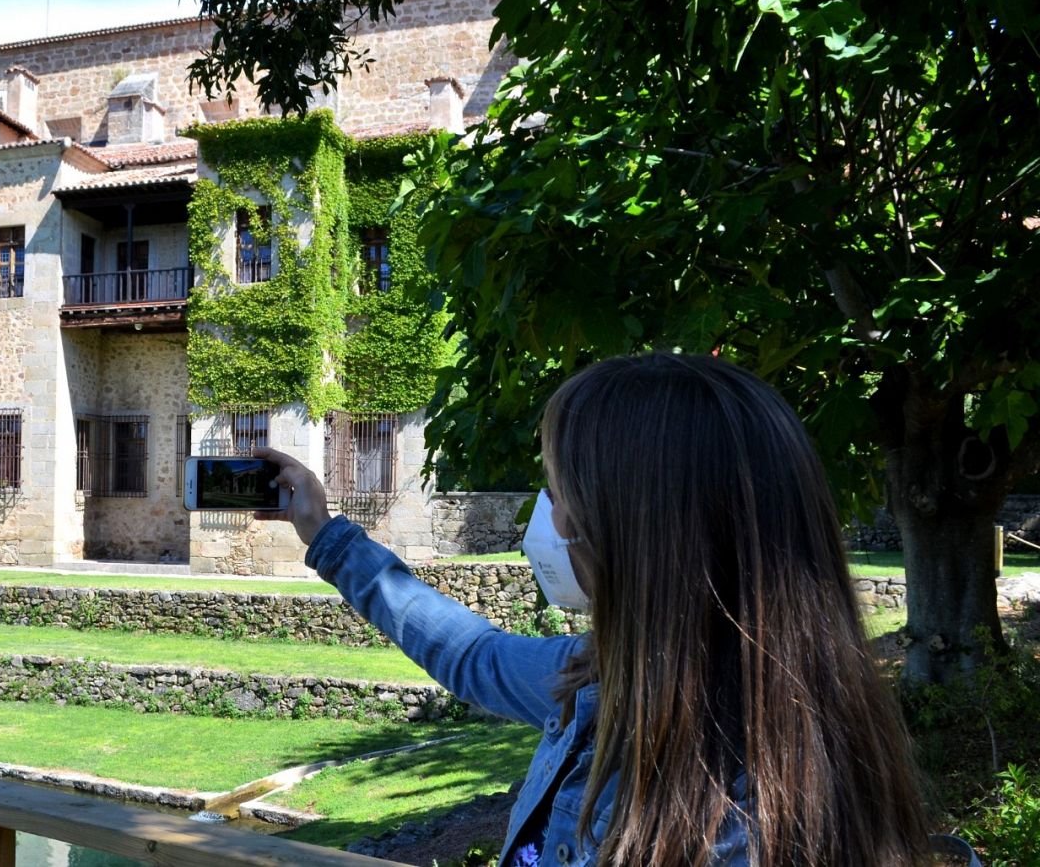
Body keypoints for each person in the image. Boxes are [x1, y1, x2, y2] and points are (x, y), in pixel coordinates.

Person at [256, 353, 948, 867]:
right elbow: (472, 654)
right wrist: (326, 533)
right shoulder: (602, 679)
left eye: (557, 492)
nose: (547, 519)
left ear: (625, 535)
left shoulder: (744, 820)